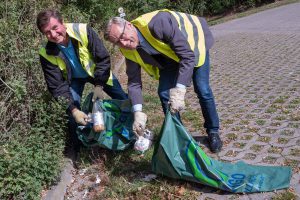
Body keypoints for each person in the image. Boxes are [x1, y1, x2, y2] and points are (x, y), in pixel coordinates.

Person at [104, 9, 222, 153]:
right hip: (169, 57)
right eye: (117, 42)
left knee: (202, 89)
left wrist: (179, 90)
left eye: (122, 36)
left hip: (193, 45)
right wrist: (138, 112)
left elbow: (188, 56)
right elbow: (134, 82)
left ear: (129, 25)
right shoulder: (128, 49)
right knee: (164, 93)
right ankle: (179, 136)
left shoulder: (158, 23)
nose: (124, 43)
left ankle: (213, 131)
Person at [36, 9, 127, 153]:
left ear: (62, 22)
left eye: (55, 28)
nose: (53, 34)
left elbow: (102, 58)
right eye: (47, 32)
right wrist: (73, 111)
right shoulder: (46, 53)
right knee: (73, 111)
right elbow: (56, 87)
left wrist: (99, 85)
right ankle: (78, 146)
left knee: (122, 99)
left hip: (96, 73)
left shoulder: (83, 30)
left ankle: (133, 130)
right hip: (74, 79)